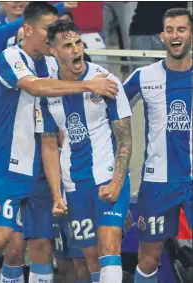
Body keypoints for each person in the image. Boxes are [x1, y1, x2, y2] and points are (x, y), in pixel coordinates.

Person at [0, 2, 119, 283]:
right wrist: (88, 85)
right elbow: (35, 86)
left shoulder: (52, 62)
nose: (52, 36)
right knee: (2, 240)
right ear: (27, 29)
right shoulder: (10, 56)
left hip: (44, 167)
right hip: (8, 165)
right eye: (47, 30)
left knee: (41, 247)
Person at [40, 20, 132, 283]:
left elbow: (125, 137)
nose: (76, 49)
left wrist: (117, 181)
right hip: (74, 184)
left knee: (109, 246)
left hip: (106, 176)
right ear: (54, 52)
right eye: (67, 45)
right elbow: (49, 145)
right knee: (90, 258)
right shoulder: (47, 92)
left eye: (78, 42)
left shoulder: (106, 80)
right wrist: (57, 194)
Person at [123, 8, 192, 283]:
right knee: (148, 259)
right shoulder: (143, 76)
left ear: (190, 34)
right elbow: (110, 110)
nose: (175, 35)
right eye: (170, 30)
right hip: (157, 183)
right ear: (162, 36)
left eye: (182, 29)